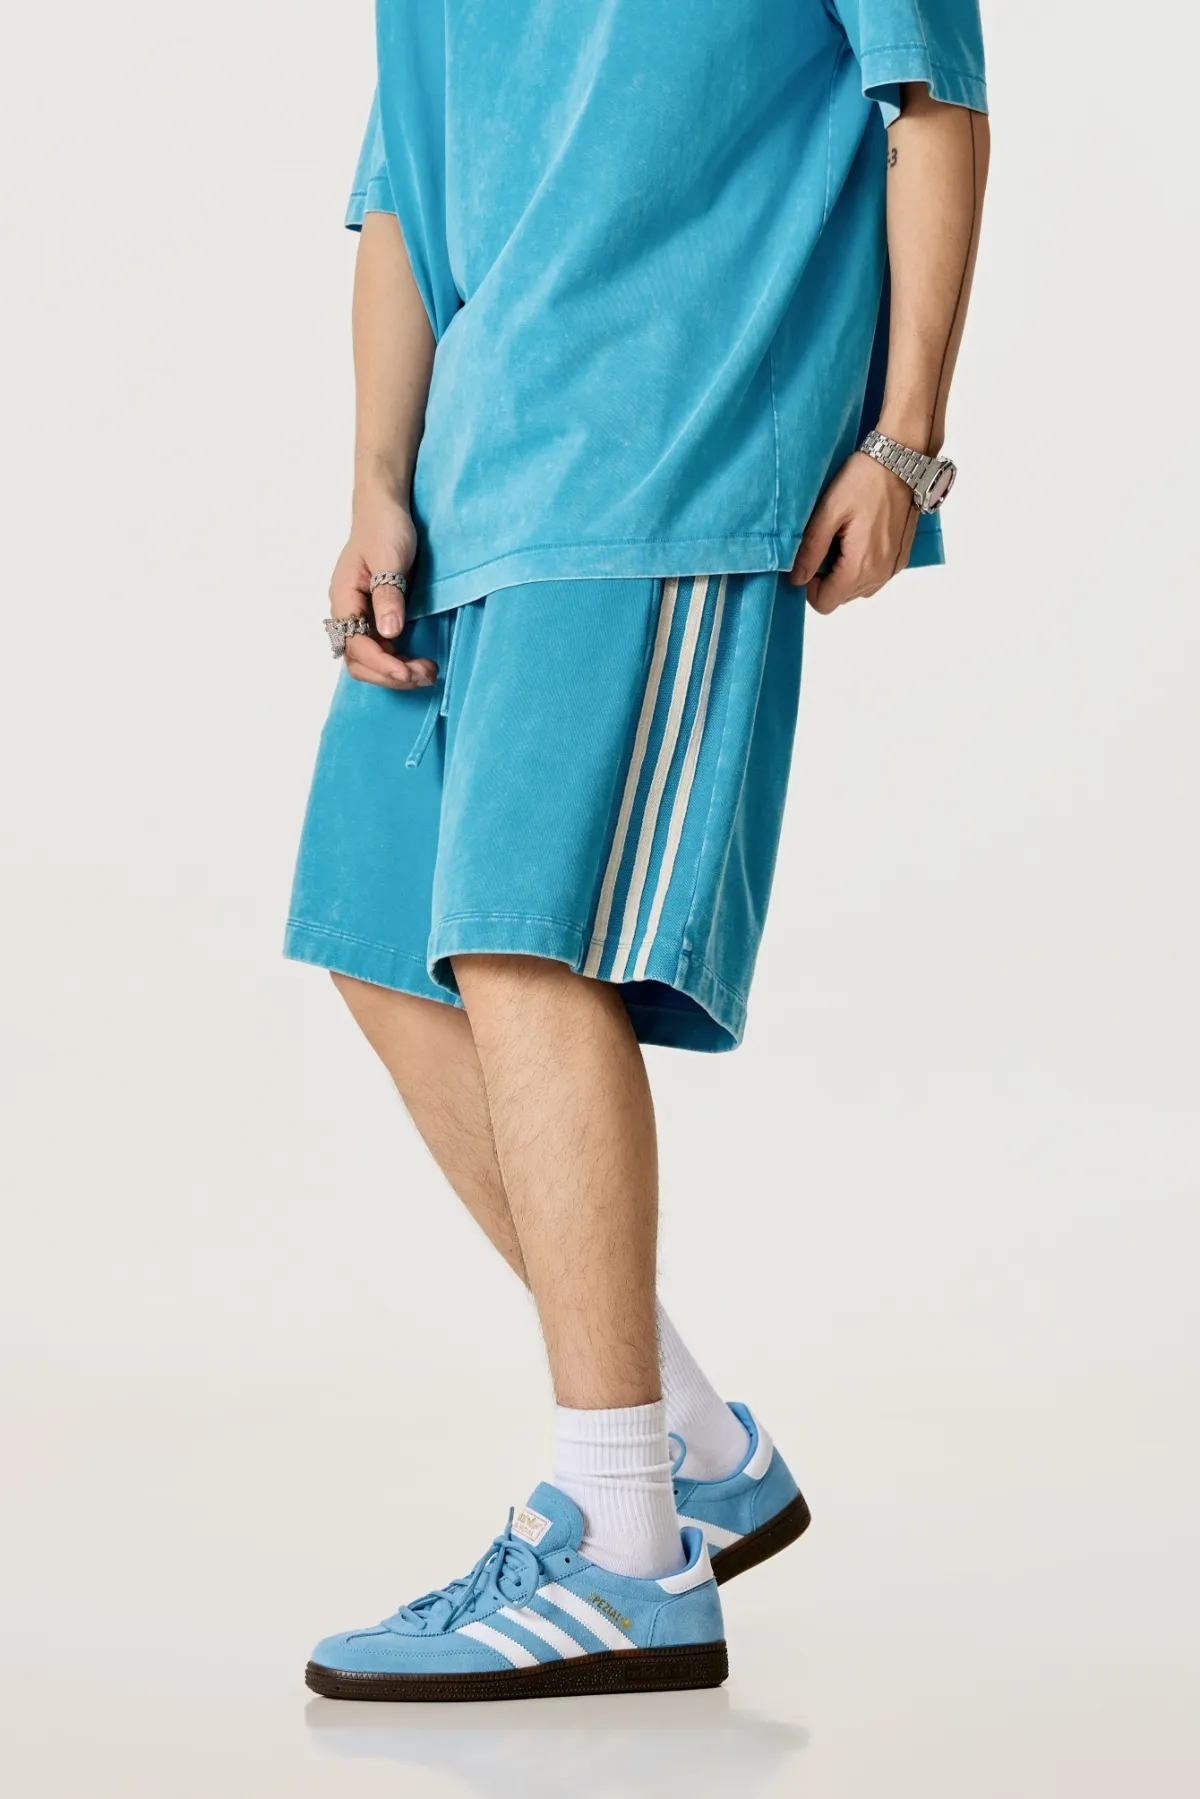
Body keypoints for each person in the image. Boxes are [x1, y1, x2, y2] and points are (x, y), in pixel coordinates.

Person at [286, 0, 989, 1702]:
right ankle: (689, 1444)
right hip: (474, 469)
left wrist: (904, 441)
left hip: (667, 431)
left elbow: (935, 102)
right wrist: (376, 477)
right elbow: (403, 191)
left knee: (527, 941)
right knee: (378, 936)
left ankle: (623, 1549)